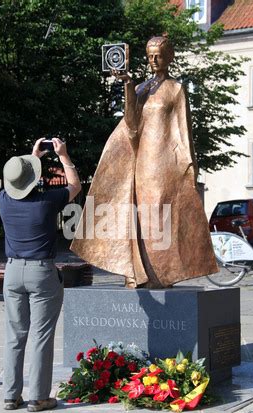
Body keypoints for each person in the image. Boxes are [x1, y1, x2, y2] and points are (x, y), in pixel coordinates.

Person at [71, 35, 218, 288]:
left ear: (169, 56)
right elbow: (131, 124)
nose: (153, 60)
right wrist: (128, 85)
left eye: (158, 55)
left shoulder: (176, 89)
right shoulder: (141, 88)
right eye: (149, 55)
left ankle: (162, 272)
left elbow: (185, 131)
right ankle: (136, 270)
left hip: (164, 163)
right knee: (138, 214)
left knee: (160, 216)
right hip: (141, 161)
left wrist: (190, 164)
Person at [0, 137, 81, 411]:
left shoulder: (3, 200)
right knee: (41, 335)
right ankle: (39, 397)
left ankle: (11, 395)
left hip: (12, 273)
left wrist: (32, 158)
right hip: (41, 273)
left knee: (15, 335)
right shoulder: (47, 201)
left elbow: (18, 182)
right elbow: (75, 186)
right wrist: (63, 157)